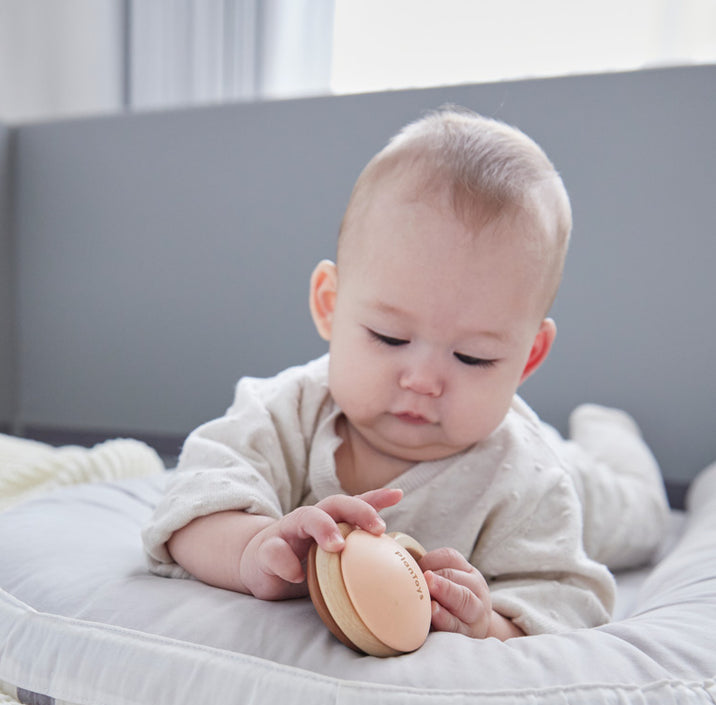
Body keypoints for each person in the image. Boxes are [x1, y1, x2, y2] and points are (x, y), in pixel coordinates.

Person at [143, 107, 668, 640]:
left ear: (527, 358)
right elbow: (192, 505)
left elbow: (566, 600)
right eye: (390, 339)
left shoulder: (531, 481)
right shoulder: (283, 413)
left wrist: (487, 622)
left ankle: (610, 431)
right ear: (330, 304)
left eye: (473, 358)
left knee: (643, 516)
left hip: (577, 483)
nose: (423, 380)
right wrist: (255, 547)